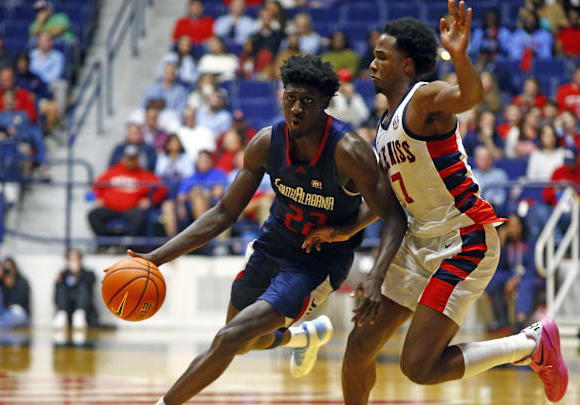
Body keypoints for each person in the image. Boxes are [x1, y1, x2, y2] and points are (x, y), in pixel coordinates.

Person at [302, 7, 567, 404]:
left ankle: (529, 345)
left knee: (419, 367)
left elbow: (470, 96)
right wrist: (343, 230)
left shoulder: (424, 98)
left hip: (465, 241)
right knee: (360, 346)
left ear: (406, 65)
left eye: (381, 57)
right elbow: (389, 199)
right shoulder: (384, 125)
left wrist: (459, 57)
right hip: (418, 242)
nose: (371, 65)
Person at [137, 54, 407, 405]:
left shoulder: (349, 151)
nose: (296, 108)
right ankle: (300, 338)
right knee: (245, 341)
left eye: (307, 102)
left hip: (316, 264)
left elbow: (393, 214)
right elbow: (223, 213)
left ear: (325, 104)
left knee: (229, 337)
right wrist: (155, 259)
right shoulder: (266, 142)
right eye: (290, 98)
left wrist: (369, 265)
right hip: (272, 246)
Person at [89, 144, 167, 242]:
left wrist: (150, 200)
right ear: (123, 158)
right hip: (109, 207)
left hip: (131, 209)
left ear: (138, 159)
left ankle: (126, 244)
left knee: (140, 216)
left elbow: (162, 188)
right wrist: (98, 197)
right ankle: (108, 243)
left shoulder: (145, 174)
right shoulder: (112, 171)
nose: (131, 160)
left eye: (133, 158)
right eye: (129, 157)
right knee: (93, 215)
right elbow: (96, 186)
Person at [485, 214, 542, 333]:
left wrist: (517, 279)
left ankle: (520, 322)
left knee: (524, 286)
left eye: (516, 226)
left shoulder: (531, 242)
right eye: (510, 226)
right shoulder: (507, 244)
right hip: (511, 274)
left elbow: (534, 268)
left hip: (530, 276)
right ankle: (502, 320)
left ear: (522, 226)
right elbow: (498, 266)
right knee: (493, 280)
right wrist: (500, 243)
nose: (513, 229)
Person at [161, 150, 228, 237]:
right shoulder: (190, 178)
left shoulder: (218, 174)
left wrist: (200, 193)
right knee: (167, 205)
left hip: (212, 207)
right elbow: (181, 197)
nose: (203, 163)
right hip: (189, 207)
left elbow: (218, 193)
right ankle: (171, 241)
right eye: (200, 161)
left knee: (198, 197)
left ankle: (203, 237)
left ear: (211, 161)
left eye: (205, 161)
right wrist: (193, 194)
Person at [53, 248, 99, 330]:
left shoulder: (88, 273)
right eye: (71, 260)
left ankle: (79, 314)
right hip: (68, 309)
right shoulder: (62, 275)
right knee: (62, 288)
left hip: (84, 312)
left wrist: (78, 273)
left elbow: (90, 284)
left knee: (83, 287)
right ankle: (61, 314)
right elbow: (56, 296)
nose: (73, 262)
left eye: (76, 259)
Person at [0, 258, 30, 329]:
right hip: (0, 310)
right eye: (5, 269)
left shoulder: (22, 282)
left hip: (14, 312)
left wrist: (10, 284)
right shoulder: (0, 282)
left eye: (10, 268)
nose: (8, 271)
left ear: (15, 269)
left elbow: (19, 300)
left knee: (21, 317)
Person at [29, 32, 67, 113]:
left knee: (61, 84)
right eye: (42, 41)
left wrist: (39, 78)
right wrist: (36, 79)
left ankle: (60, 116)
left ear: (51, 42)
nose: (44, 43)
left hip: (50, 84)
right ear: (38, 42)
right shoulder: (31, 55)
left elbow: (56, 74)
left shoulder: (58, 56)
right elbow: (30, 71)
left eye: (47, 41)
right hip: (33, 82)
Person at [473, 146, 508, 214]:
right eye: (481, 158)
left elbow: (501, 195)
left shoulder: (499, 174)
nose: (484, 160)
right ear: (475, 160)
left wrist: (491, 202)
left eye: (485, 158)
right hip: (474, 207)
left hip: (493, 208)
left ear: (491, 159)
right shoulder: (470, 174)